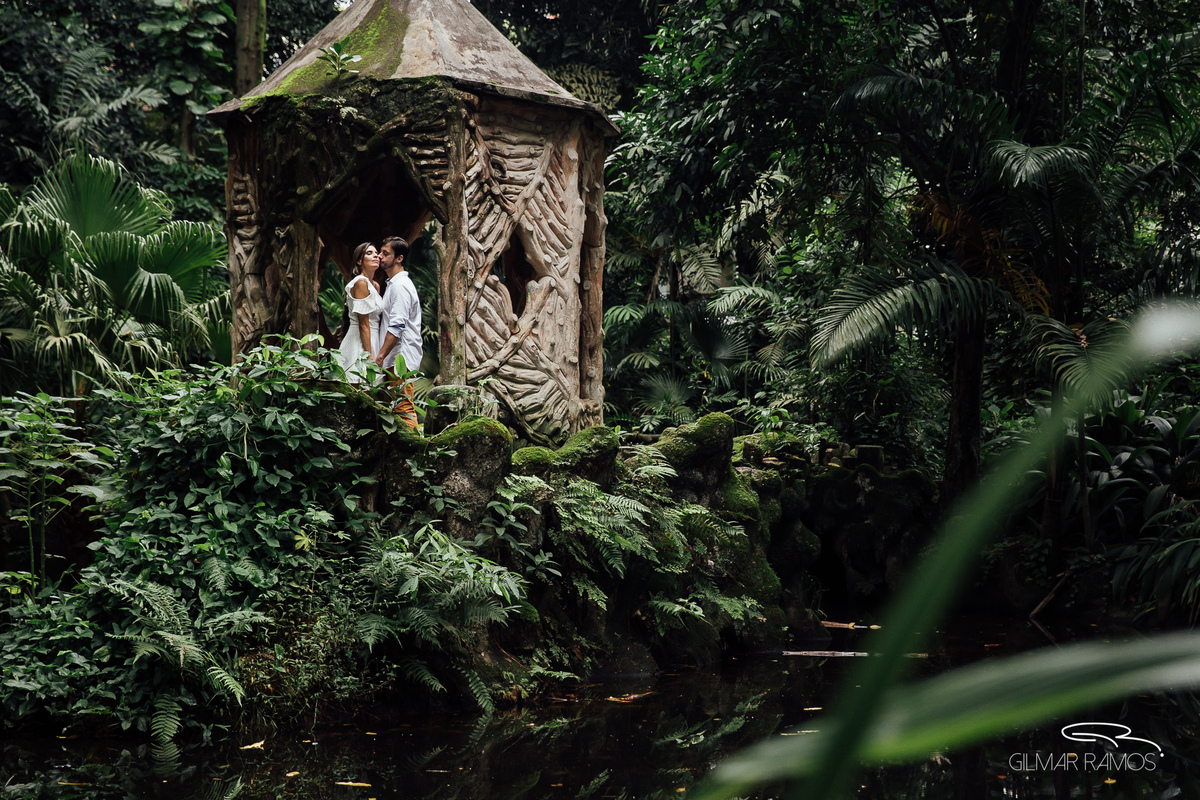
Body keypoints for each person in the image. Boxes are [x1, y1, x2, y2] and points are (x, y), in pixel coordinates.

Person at [374, 236, 422, 429]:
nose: (380, 256)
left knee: (404, 408)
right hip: (394, 358)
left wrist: (380, 356)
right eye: (380, 251)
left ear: (399, 258)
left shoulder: (401, 286)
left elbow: (397, 326)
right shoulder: (392, 284)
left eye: (386, 253)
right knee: (396, 408)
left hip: (400, 358)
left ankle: (416, 454)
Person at [337, 242, 384, 384]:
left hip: (374, 339)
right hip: (359, 342)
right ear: (359, 261)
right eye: (369, 253)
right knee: (359, 387)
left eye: (376, 253)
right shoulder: (360, 283)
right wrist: (369, 355)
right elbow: (363, 323)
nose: (375, 256)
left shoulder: (375, 285)